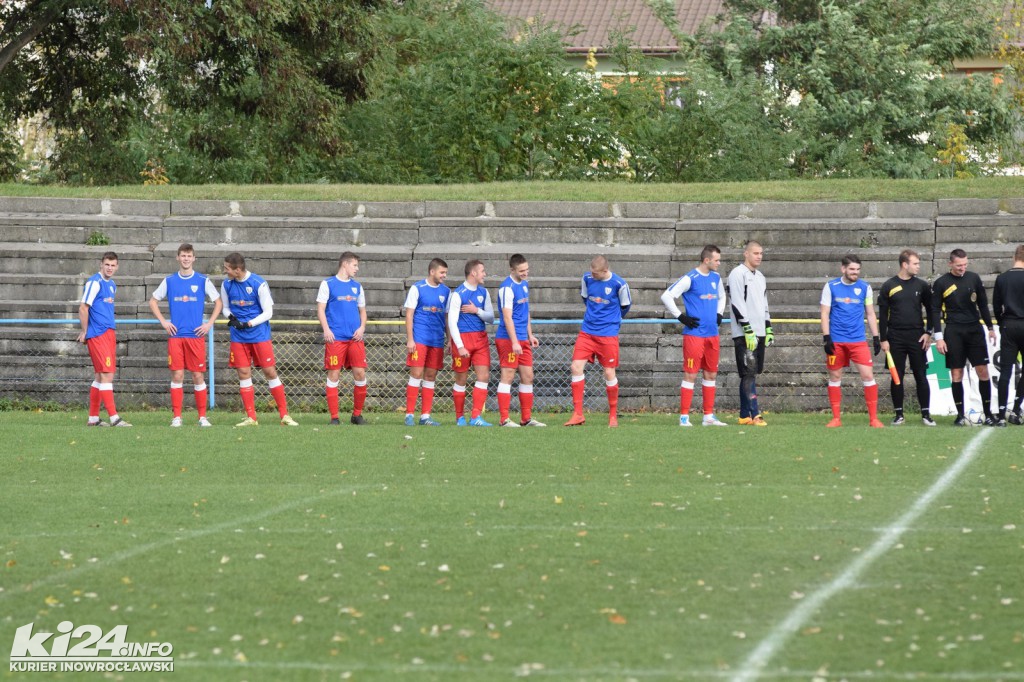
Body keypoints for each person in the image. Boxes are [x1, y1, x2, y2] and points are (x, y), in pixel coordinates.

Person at [148, 243, 222, 427]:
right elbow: (153, 301)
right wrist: (164, 322)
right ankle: (177, 417)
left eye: (189, 256)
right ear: (177, 258)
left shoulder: (203, 280)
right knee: (177, 376)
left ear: (194, 258)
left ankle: (202, 417)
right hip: (176, 336)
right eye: (183, 255)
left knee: (197, 376)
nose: (186, 259)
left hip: (195, 336)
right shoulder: (170, 281)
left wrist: (209, 324)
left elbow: (218, 302)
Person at [221, 252, 298, 427]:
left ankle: (285, 415)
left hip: (259, 336)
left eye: (227, 268)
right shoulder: (226, 285)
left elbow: (268, 312)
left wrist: (248, 323)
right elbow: (225, 307)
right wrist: (232, 317)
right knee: (243, 373)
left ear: (237, 269)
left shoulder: (258, 283)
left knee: (270, 372)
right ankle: (251, 418)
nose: (225, 271)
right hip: (238, 337)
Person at [661, 245, 728, 427]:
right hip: (694, 336)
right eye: (716, 260)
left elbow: (722, 297)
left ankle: (708, 417)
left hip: (712, 335)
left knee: (711, 374)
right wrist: (681, 317)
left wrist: (720, 314)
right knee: (691, 374)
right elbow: (667, 296)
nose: (719, 263)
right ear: (707, 260)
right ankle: (684, 417)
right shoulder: (691, 278)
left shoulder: (716, 277)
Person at [931, 248, 997, 426]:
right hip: (953, 332)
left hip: (975, 330)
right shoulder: (941, 283)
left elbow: (982, 304)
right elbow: (935, 311)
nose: (962, 268)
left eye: (965, 264)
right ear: (950, 264)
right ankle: (960, 415)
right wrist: (939, 337)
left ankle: (988, 413)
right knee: (956, 373)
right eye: (959, 265)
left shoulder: (974, 278)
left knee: (982, 371)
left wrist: (990, 327)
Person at [564, 255, 632, 428]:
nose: (592, 275)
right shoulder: (586, 278)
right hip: (587, 331)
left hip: (607, 334)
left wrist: (612, 321)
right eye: (591, 272)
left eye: (596, 273)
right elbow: (585, 298)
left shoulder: (619, 284)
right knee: (575, 367)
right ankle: (578, 414)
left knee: (609, 373)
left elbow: (625, 307)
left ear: (605, 270)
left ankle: (613, 416)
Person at [820, 254, 884, 428]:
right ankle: (836, 419)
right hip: (837, 341)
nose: (855, 273)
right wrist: (826, 337)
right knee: (835, 376)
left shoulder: (865, 287)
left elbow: (870, 313)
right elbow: (825, 313)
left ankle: (873, 419)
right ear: (843, 269)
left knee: (868, 376)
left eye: (857, 270)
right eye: (852, 269)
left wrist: (876, 337)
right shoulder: (831, 286)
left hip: (858, 341)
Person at [877, 249, 935, 426]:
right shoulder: (889, 286)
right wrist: (883, 339)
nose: (918, 267)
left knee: (921, 375)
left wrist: (928, 332)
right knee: (897, 376)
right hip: (895, 337)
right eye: (915, 263)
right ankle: (899, 414)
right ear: (905, 264)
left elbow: (932, 309)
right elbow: (883, 316)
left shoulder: (922, 285)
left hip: (917, 336)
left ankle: (926, 414)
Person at [78, 251, 131, 427]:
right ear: (101, 264)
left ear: (117, 266)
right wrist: (85, 331)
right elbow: (83, 308)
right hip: (98, 334)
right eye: (107, 264)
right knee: (107, 375)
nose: (109, 268)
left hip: (108, 332)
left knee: (100, 376)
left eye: (113, 265)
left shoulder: (112, 284)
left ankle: (93, 419)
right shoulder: (95, 282)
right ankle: (114, 418)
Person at [316, 251, 368, 426]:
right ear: (344, 264)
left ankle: (357, 415)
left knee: (360, 374)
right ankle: (334, 417)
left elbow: (362, 311)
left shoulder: (357, 286)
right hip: (336, 338)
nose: (357, 269)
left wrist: (362, 328)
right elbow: (321, 309)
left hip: (355, 338)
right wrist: (326, 330)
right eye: (354, 265)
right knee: (334, 374)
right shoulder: (328, 284)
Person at [495, 253, 545, 427]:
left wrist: (530, 335)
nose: (525, 273)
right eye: (521, 270)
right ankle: (504, 419)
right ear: (512, 270)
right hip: (508, 339)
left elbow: (525, 311)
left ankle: (526, 418)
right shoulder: (506, 288)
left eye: (527, 269)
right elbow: (507, 318)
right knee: (508, 376)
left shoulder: (524, 285)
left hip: (523, 338)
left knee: (528, 376)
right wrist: (515, 341)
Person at [727, 241, 773, 426]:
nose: (759, 256)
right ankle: (755, 414)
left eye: (761, 253)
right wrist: (747, 329)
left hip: (760, 331)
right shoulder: (737, 274)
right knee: (748, 373)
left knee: (752, 373)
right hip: (745, 332)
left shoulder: (760, 276)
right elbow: (737, 302)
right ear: (746, 254)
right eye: (755, 253)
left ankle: (743, 415)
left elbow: (764, 304)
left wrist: (768, 327)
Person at [447, 259, 495, 427]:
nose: (485, 274)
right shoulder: (458, 294)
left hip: (480, 339)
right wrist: (459, 345)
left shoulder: (484, 292)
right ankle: (460, 417)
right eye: (482, 271)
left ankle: (476, 417)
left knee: (484, 376)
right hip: (464, 339)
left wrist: (477, 311)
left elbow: (491, 318)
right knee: (461, 378)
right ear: (473, 273)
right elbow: (452, 321)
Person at [404, 258, 450, 426]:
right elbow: (409, 315)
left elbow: (446, 318)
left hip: (437, 340)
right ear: (432, 272)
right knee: (416, 374)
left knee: (430, 376)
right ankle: (409, 414)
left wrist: (449, 340)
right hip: (420, 339)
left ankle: (425, 416)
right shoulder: (418, 288)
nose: (444, 275)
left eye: (445, 273)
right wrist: (410, 339)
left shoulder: (446, 292)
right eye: (442, 272)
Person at [991, 245, 1024, 426]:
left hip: (1009, 324)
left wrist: (1002, 322)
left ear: (1014, 257)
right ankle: (1017, 408)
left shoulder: (1002, 278)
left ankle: (1002, 412)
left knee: (1005, 370)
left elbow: (996, 306)